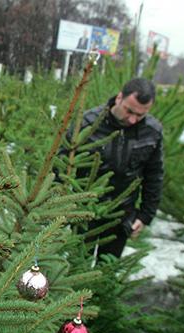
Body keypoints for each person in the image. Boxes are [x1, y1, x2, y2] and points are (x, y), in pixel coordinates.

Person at [61, 78, 164, 258]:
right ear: (119, 98)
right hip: (84, 213)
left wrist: (145, 215)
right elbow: (60, 167)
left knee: (107, 268)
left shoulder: (152, 132)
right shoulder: (87, 124)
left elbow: (154, 175)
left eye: (140, 115)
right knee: (78, 267)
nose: (133, 120)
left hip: (122, 215)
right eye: (129, 111)